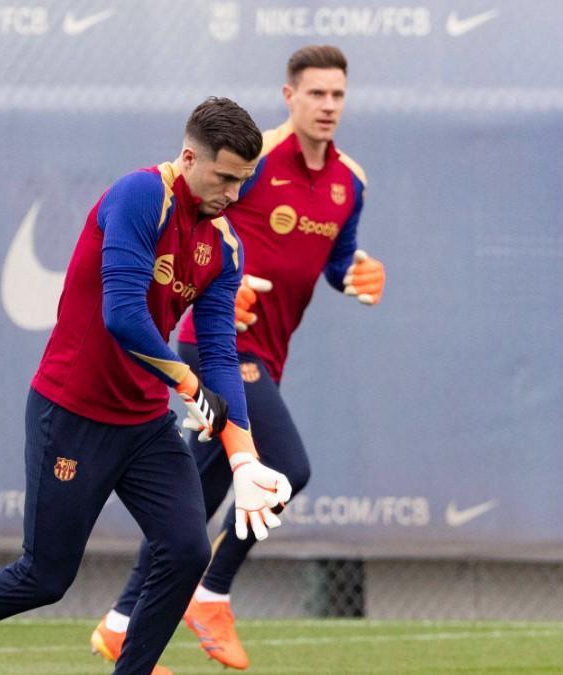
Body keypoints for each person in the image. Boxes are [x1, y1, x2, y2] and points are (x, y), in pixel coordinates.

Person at [0, 97, 293, 675]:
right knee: (44, 576)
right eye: (223, 177)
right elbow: (121, 313)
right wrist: (187, 382)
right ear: (188, 155)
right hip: (71, 413)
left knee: (187, 550)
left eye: (243, 181)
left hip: (145, 426)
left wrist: (244, 459)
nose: (232, 193)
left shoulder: (223, 246)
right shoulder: (140, 196)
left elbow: (221, 350)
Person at [90, 45, 387, 670]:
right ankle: (211, 593)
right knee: (284, 466)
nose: (328, 106)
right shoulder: (253, 165)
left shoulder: (349, 182)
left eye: (338, 94)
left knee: (193, 501)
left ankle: (120, 623)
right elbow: (198, 226)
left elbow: (338, 261)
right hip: (219, 344)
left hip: (269, 353)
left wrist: (355, 276)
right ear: (290, 96)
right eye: (316, 94)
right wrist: (223, 285)